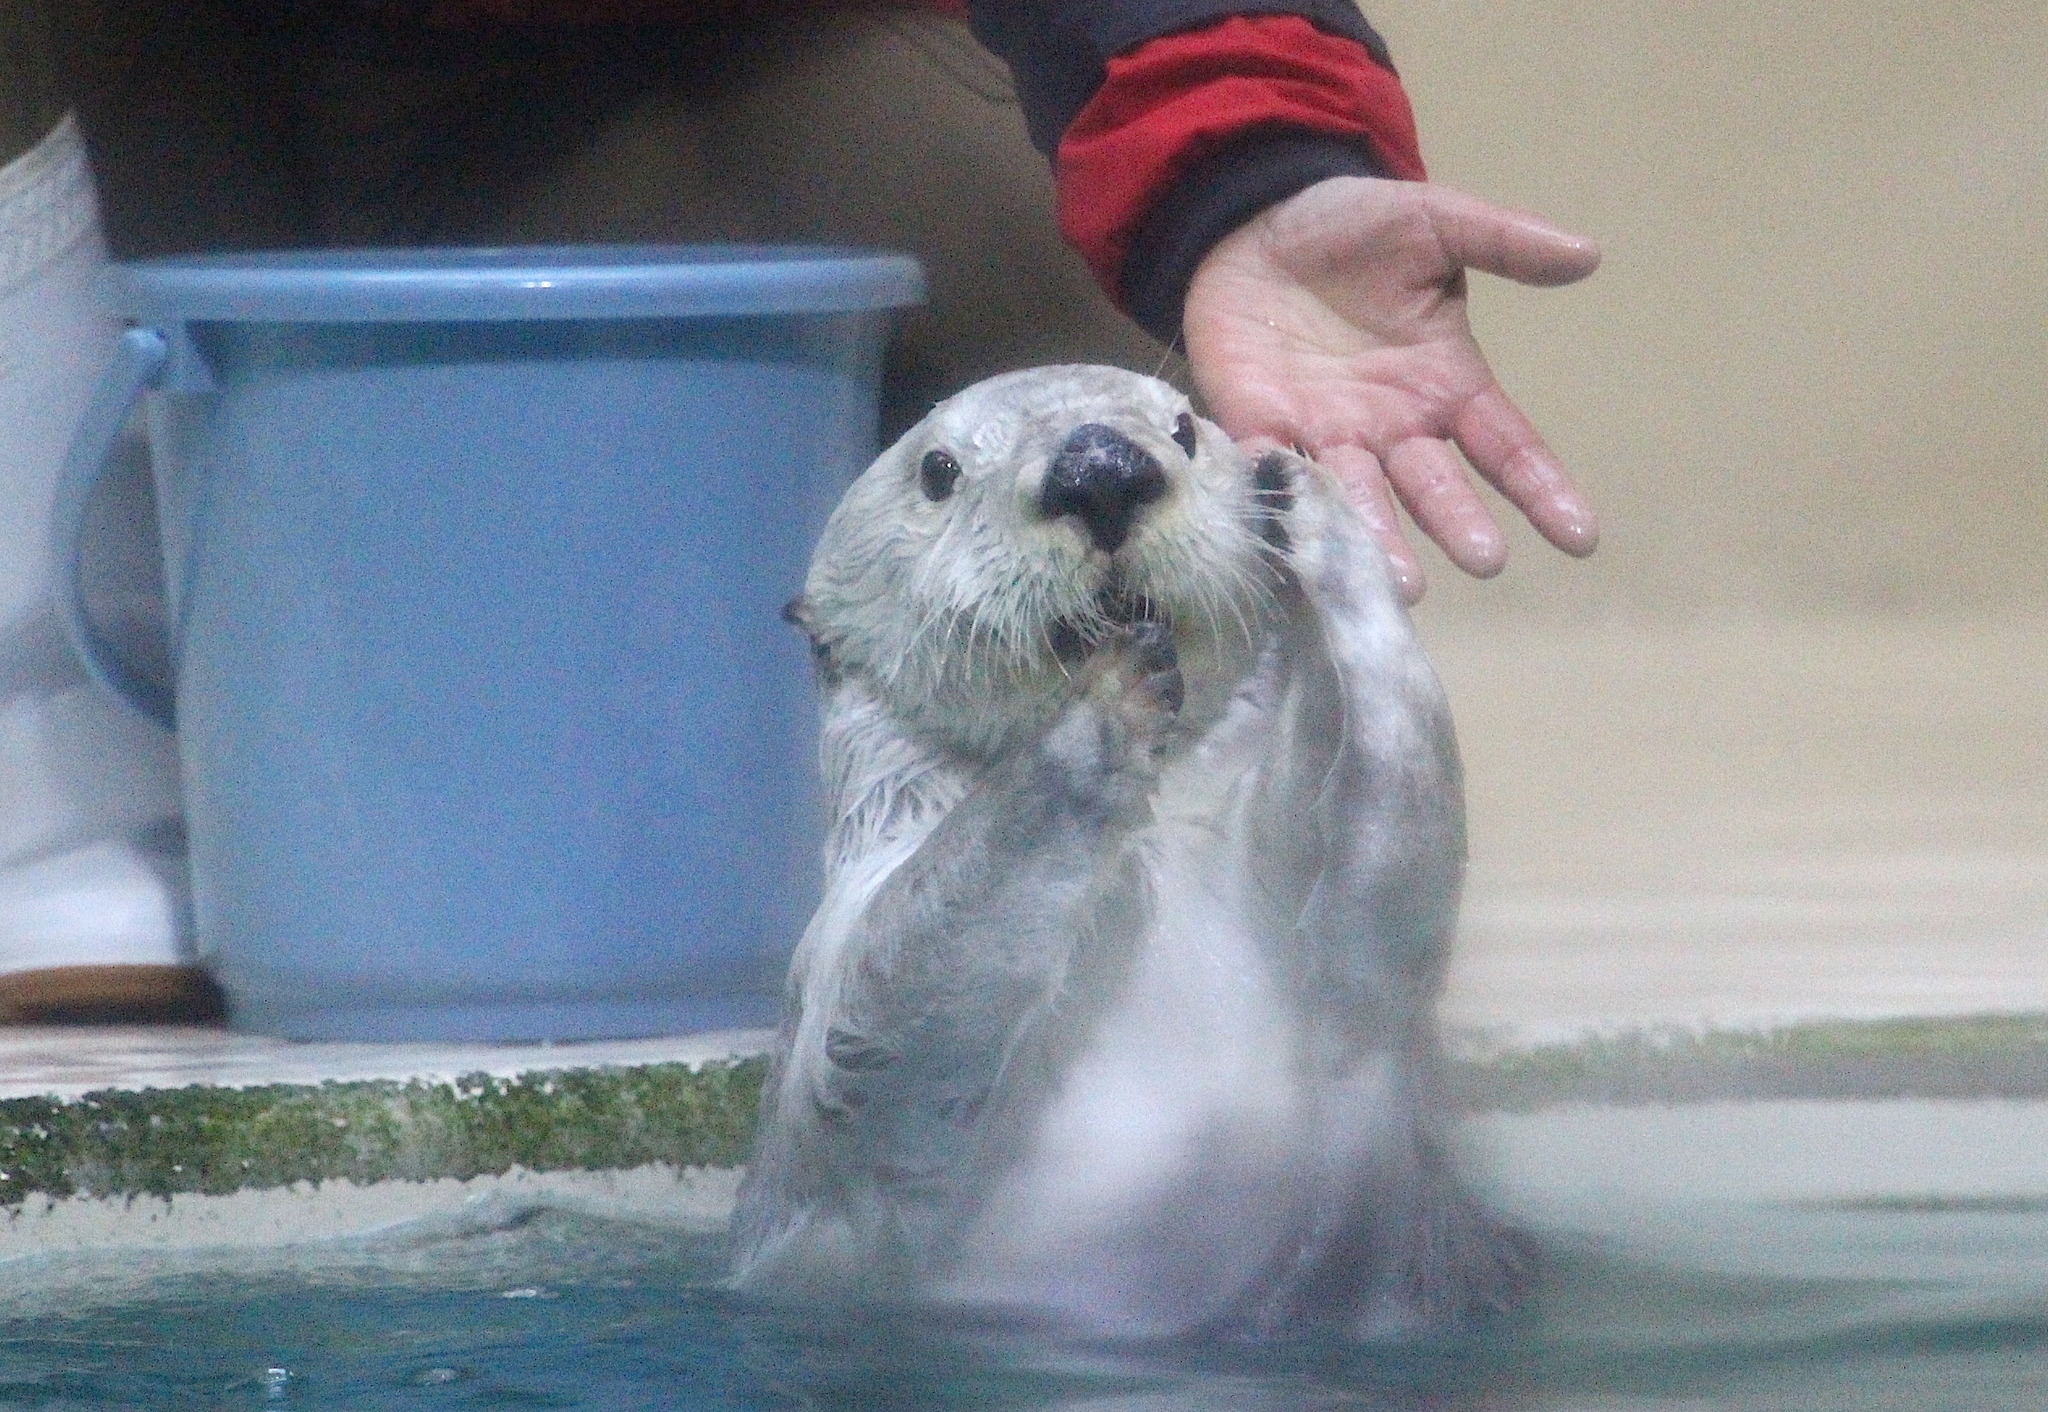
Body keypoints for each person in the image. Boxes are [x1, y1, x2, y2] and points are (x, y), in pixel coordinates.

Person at [1, 0, 1597, 1014]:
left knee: (1114, 464)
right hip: (123, 75)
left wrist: (1244, 161)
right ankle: (67, 751)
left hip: (698, 54)